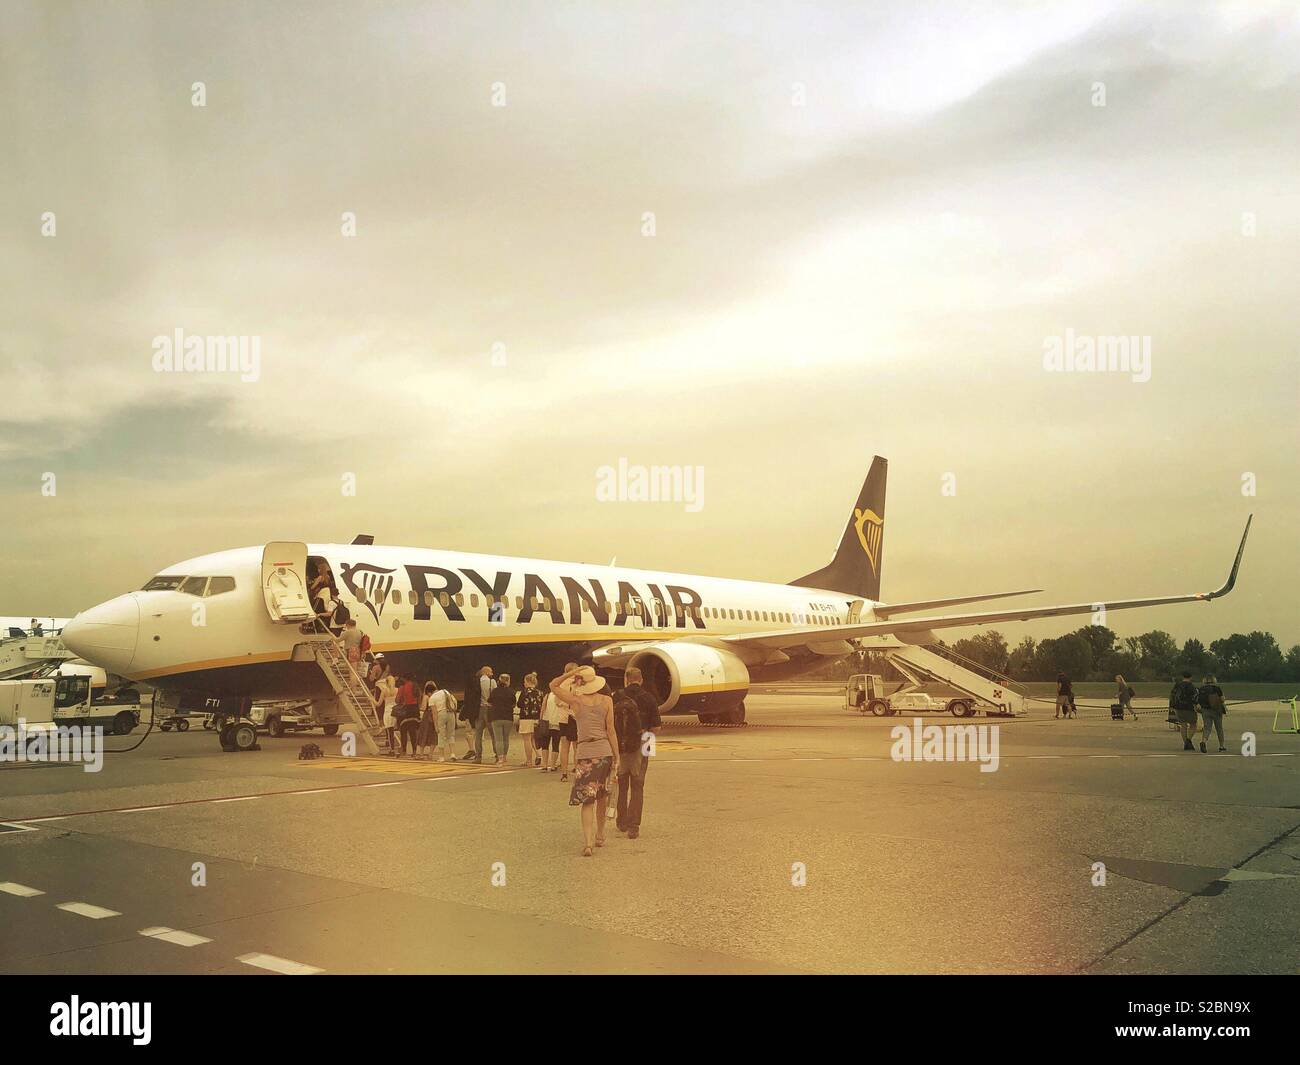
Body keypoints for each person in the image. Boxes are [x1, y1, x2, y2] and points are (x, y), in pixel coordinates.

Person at [550, 665, 618, 857]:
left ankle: (588, 842)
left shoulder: (575, 701)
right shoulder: (607, 701)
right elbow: (611, 730)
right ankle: (600, 834)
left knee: (587, 800)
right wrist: (616, 755)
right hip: (604, 751)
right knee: (602, 796)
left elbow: (553, 685)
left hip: (585, 753)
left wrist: (571, 674)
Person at [614, 666, 662, 839]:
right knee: (638, 784)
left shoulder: (617, 696)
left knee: (622, 783)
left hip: (621, 743)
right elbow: (656, 727)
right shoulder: (649, 697)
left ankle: (621, 820)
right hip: (643, 741)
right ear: (641, 680)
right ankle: (634, 826)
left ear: (627, 679)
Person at [487, 673, 516, 766]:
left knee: (498, 739)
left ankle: (499, 759)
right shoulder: (511, 692)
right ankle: (505, 757)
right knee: (505, 738)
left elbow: (489, 702)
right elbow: (514, 704)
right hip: (508, 717)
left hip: (496, 717)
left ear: (499, 681)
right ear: (508, 681)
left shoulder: (494, 691)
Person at [517, 673, 544, 768]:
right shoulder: (540, 692)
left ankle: (529, 761)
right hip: (537, 718)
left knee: (527, 740)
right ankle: (539, 755)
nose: (524, 683)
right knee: (534, 738)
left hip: (526, 717)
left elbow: (519, 704)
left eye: (524, 681)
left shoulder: (524, 692)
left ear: (528, 682)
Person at [540, 680, 568, 773]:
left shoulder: (547, 695)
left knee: (545, 744)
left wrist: (540, 720)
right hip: (557, 722)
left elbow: (543, 708)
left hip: (546, 721)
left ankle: (544, 765)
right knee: (555, 744)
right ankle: (553, 765)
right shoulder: (562, 696)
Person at [1169, 670, 1201, 751]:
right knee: (1193, 724)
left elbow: (1172, 695)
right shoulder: (1192, 686)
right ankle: (1188, 740)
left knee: (1183, 725)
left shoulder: (1177, 685)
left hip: (1179, 707)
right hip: (1189, 708)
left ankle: (1185, 742)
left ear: (1183, 676)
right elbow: (1195, 697)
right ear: (1190, 677)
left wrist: (1172, 706)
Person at [428, 679, 458, 762]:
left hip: (441, 714)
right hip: (451, 713)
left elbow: (434, 713)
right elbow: (454, 701)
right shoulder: (445, 691)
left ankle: (441, 757)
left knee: (441, 735)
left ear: (429, 692)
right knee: (451, 734)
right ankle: (452, 754)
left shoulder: (432, 698)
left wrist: (436, 726)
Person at [473, 666, 497, 763]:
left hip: (479, 709)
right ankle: (497, 756)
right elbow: (495, 695)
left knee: (478, 734)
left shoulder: (476, 682)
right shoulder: (492, 682)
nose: (492, 673)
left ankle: (478, 756)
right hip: (489, 709)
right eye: (491, 672)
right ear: (486, 672)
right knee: (493, 734)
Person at [1197, 675, 1227, 753]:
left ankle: (1203, 741)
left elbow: (1198, 700)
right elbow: (1222, 699)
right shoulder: (1217, 688)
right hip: (1216, 710)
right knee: (1219, 728)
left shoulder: (1201, 689)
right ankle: (1221, 746)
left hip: (1205, 710)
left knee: (1207, 727)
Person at [396, 674, 421, 756]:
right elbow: (419, 698)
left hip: (405, 710)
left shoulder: (402, 687)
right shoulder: (416, 686)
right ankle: (414, 751)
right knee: (413, 731)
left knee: (403, 731)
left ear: (404, 679)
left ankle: (404, 751)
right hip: (415, 710)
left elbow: (397, 700)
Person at [376, 668, 398, 749]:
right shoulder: (397, 690)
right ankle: (395, 748)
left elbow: (378, 704)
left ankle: (391, 749)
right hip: (395, 712)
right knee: (393, 730)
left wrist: (371, 700)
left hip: (388, 712)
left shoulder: (385, 691)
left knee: (389, 732)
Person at [417, 682, 438, 759]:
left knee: (423, 734)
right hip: (435, 715)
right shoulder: (437, 696)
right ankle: (430, 754)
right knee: (434, 735)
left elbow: (423, 707)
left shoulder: (426, 696)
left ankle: (421, 754)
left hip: (427, 716)